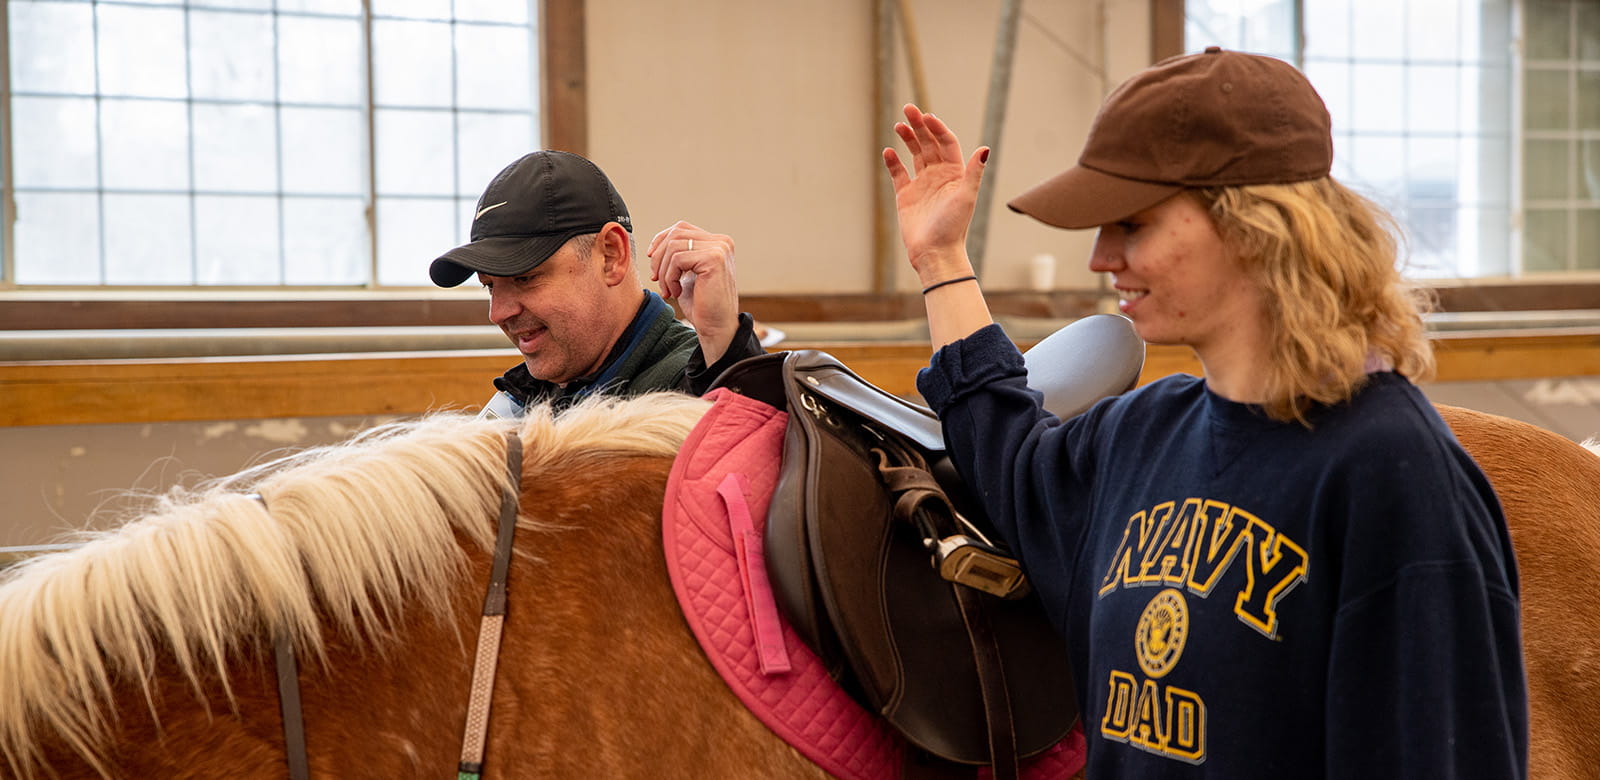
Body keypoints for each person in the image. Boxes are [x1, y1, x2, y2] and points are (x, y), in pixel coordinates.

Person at [882, 48, 1527, 777]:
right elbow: (1008, 457)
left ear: (1256, 225)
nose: (1100, 258)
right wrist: (940, 261)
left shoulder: (1395, 476)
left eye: (1132, 223)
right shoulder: (1138, 435)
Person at [431, 150, 764, 416]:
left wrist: (725, 347)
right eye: (489, 286)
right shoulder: (521, 401)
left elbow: (757, 471)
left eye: (525, 277)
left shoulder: (690, 391)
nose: (498, 312)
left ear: (610, 255)